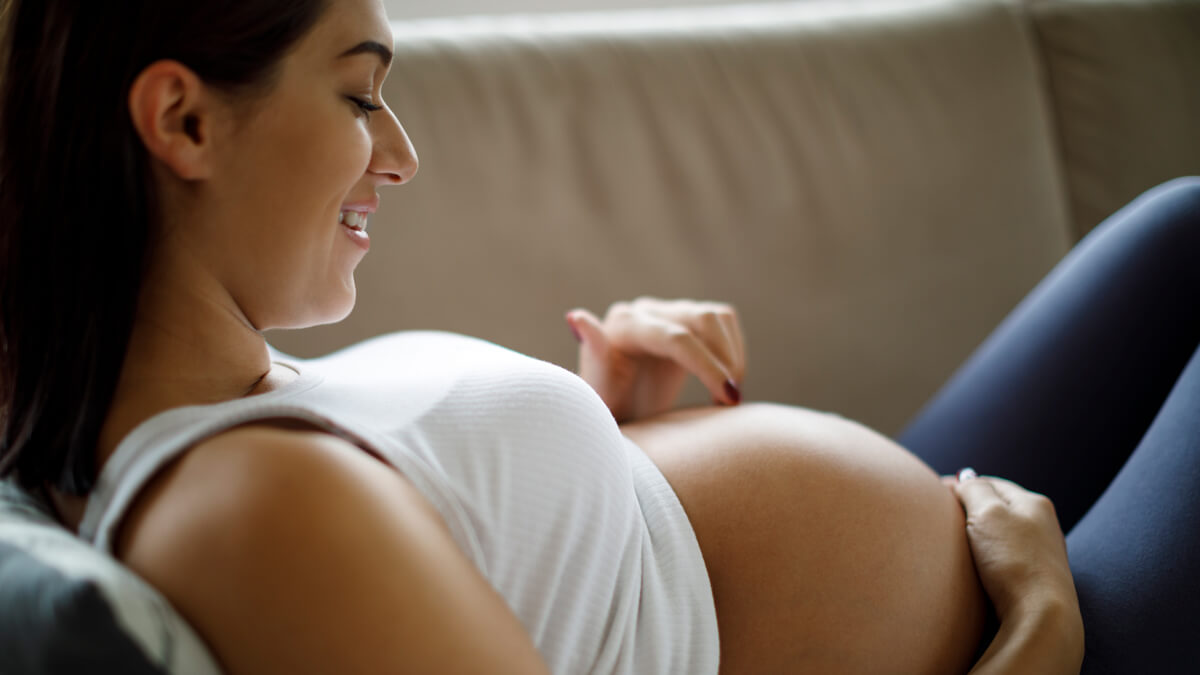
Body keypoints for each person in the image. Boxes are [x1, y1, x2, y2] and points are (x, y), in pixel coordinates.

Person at [0, 0, 1193, 672]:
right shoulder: (243, 512)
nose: (400, 154)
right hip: (1021, 641)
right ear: (185, 120)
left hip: (937, 551)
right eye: (360, 95)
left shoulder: (213, 414)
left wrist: (603, 432)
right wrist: (1042, 639)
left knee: (1178, 232)